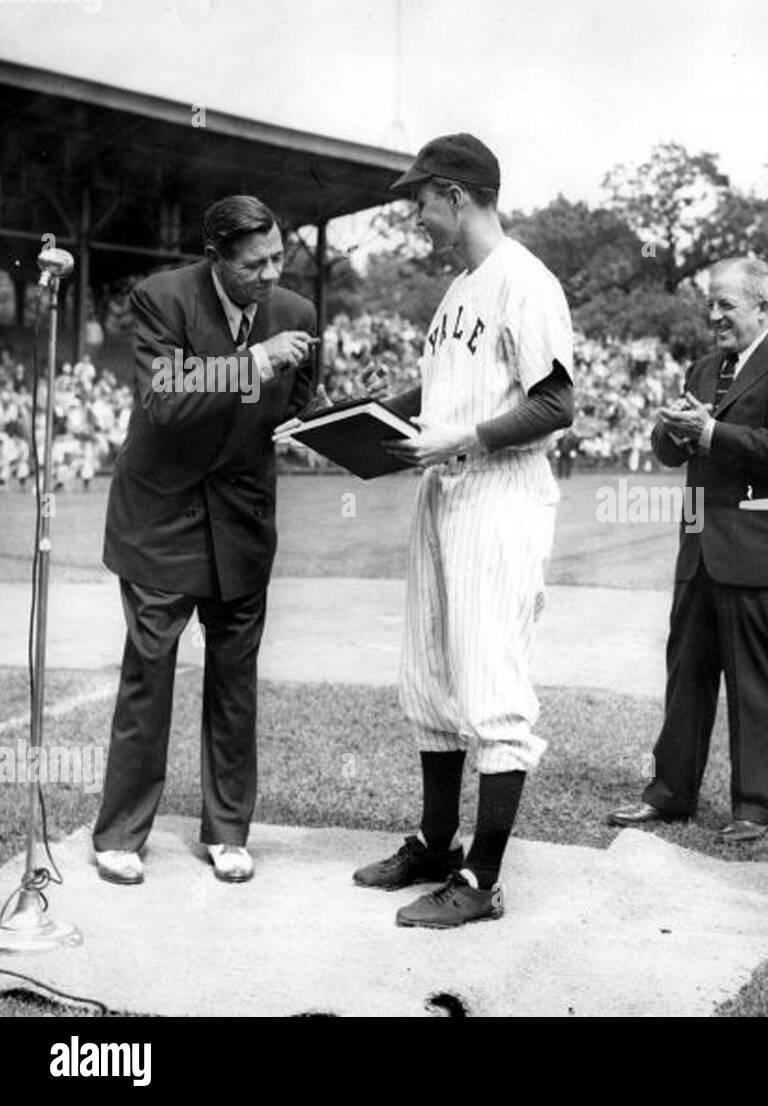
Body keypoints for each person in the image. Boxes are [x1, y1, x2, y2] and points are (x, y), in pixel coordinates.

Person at [350, 133, 575, 928]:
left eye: (420, 199)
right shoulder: (456, 294)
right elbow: (441, 390)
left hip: (500, 492)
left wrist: (466, 438)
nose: (415, 215)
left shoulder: (526, 281)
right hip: (445, 490)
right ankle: (437, 841)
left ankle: (481, 881)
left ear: (455, 194)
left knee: (491, 684)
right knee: (431, 672)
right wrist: (355, 416)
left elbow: (555, 405)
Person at [93, 195, 317, 885]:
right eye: (253, 264)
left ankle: (227, 831)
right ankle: (122, 833)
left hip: (243, 520)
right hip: (164, 518)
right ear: (216, 257)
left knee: (235, 680)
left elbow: (298, 400)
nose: (270, 274)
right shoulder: (161, 297)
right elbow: (163, 394)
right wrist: (254, 365)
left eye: (278, 257)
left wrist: (331, 422)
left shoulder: (298, 315)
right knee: (149, 673)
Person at [606, 258, 768, 842]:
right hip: (700, 549)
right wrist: (674, 426)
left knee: (756, 684)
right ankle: (670, 792)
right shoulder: (705, 367)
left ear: (764, 306)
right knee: (686, 674)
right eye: (711, 304)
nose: (713, 315)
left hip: (758, 553)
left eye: (726, 304)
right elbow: (668, 452)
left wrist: (708, 432)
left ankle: (753, 808)